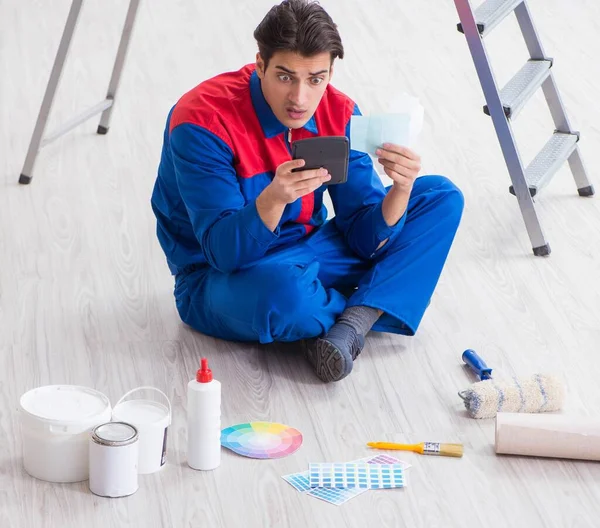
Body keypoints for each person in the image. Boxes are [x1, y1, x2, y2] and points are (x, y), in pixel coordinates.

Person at [151, 0, 464, 382]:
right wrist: (273, 199)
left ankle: (350, 323)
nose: (300, 98)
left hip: (312, 251)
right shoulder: (201, 122)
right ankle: (375, 301)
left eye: (316, 79)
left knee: (439, 197)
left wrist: (399, 190)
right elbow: (222, 254)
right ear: (260, 64)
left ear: (330, 72)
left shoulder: (339, 111)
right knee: (286, 297)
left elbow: (363, 238)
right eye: (285, 77)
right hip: (220, 277)